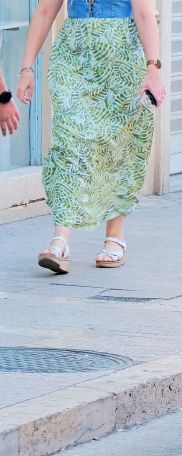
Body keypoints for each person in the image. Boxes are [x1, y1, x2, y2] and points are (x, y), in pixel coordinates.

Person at [18, 0, 165, 274]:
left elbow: (144, 15)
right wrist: (27, 68)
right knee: (68, 142)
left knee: (118, 145)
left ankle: (115, 237)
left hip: (121, 55)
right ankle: (60, 240)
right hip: (73, 55)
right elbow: (44, 11)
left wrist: (153, 69)